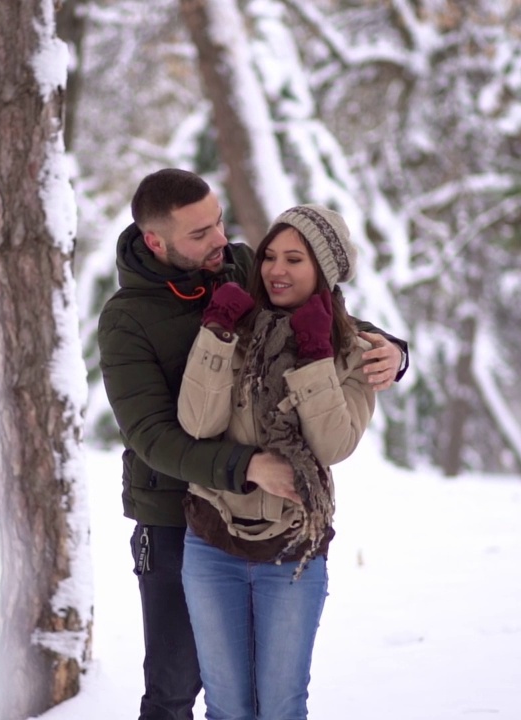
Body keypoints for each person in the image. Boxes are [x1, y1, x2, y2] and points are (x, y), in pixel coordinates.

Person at [96, 169, 408, 720]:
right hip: (174, 514)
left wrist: (391, 349)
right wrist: (249, 467)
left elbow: (314, 309)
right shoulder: (128, 319)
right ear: (156, 241)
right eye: (200, 234)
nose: (221, 239)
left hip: (270, 519)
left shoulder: (236, 265)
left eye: (218, 221)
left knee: (263, 697)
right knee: (173, 686)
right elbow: (151, 438)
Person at [177, 204, 372, 719]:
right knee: (227, 708)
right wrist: (218, 331)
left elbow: (333, 445)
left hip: (293, 553)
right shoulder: (236, 328)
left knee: (282, 707)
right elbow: (197, 424)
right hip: (213, 542)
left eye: (295, 259)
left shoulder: (353, 351)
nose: (276, 270)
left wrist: (313, 358)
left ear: (323, 273)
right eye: (269, 256)